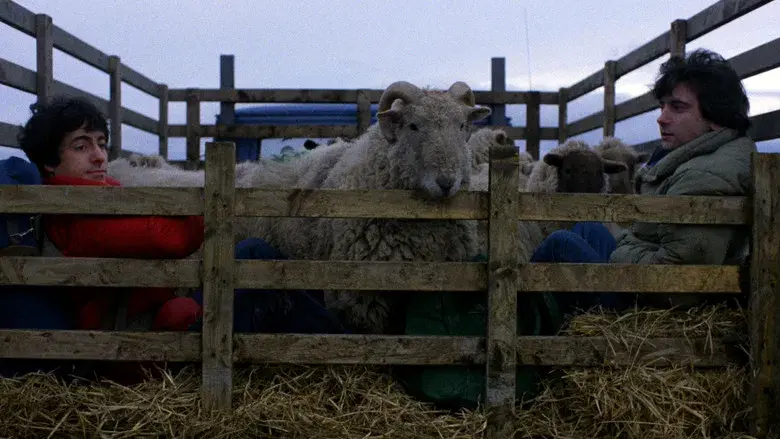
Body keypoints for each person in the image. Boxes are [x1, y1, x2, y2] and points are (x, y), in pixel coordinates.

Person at [3, 96, 345, 381]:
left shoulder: (95, 198)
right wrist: (217, 206)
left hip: (157, 333)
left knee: (258, 268)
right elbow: (169, 239)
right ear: (49, 162)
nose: (99, 156)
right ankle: (347, 359)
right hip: (141, 357)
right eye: (81, 146)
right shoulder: (74, 211)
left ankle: (329, 354)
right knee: (253, 256)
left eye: (102, 144)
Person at [531, 48, 756, 314]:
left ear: (716, 118)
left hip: (645, 301)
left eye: (678, 107)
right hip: (639, 279)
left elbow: (677, 279)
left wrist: (621, 254)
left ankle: (520, 323)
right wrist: (628, 248)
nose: (661, 117)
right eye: (662, 106)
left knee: (561, 243)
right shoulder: (701, 157)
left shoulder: (707, 175)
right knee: (586, 228)